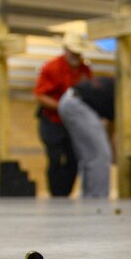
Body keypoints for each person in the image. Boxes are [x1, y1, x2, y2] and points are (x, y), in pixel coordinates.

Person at [58, 77, 131, 198]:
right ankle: (97, 199)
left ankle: (88, 197)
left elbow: (112, 124)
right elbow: (121, 131)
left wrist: (110, 149)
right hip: (79, 105)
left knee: (91, 156)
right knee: (100, 156)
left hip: (71, 101)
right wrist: (114, 154)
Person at [34, 32, 93, 197]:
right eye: (73, 52)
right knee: (55, 157)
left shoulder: (84, 70)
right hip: (52, 122)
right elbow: (40, 95)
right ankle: (56, 193)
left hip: (73, 123)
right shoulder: (52, 67)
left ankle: (66, 193)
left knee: (74, 158)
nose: (76, 56)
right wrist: (62, 107)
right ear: (66, 50)